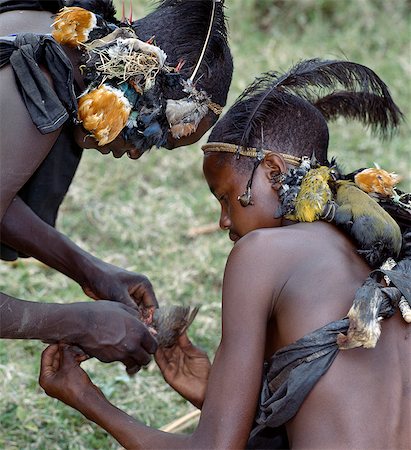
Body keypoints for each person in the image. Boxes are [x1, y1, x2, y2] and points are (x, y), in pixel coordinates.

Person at [38, 58, 410, 449]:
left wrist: (86, 398)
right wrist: (210, 391)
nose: (223, 221)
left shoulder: (262, 254)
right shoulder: (381, 251)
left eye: (227, 198)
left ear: (274, 171)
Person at [0, 0, 233, 373]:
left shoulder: (51, 33)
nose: (138, 155)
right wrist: (80, 323)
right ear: (136, 86)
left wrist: (91, 271)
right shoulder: (34, 85)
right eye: (155, 137)